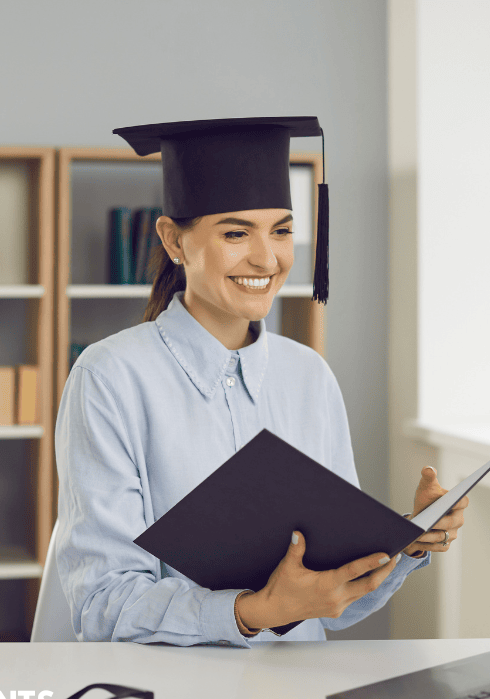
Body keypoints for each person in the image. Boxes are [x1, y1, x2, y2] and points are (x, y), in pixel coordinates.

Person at [54, 116, 468, 646]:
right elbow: (102, 606)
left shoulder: (308, 376)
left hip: (296, 689)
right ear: (173, 241)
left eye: (282, 230)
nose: (266, 258)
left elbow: (335, 607)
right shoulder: (110, 378)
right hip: (172, 696)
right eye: (235, 233)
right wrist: (254, 612)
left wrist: (408, 540)